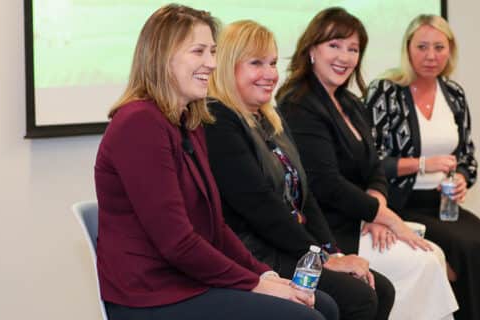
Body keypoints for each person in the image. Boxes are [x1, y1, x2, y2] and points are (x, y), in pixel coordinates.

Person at [93, 5, 338, 320]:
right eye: (199, 52)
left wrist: (263, 275)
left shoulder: (189, 120)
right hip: (152, 296)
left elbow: (214, 226)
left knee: (323, 305)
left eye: (213, 51)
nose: (211, 63)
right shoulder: (139, 123)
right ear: (161, 57)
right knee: (307, 316)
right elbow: (177, 243)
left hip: (188, 280)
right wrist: (254, 284)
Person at [204, 20, 395, 320]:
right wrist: (318, 256)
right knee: (359, 298)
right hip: (256, 254)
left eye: (272, 63)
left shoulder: (270, 117)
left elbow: (304, 197)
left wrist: (331, 252)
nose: (269, 75)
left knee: (380, 289)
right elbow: (259, 206)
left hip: (291, 246)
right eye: (256, 63)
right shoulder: (219, 119)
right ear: (228, 66)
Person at [277, 7, 458, 320]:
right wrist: (385, 217)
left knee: (433, 256)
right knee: (425, 260)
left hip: (361, 220)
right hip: (332, 231)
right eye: (334, 45)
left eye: (353, 49)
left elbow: (375, 168)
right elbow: (326, 184)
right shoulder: (299, 103)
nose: (344, 57)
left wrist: (376, 208)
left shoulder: (349, 101)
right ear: (310, 50)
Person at [364, 14, 480, 320]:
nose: (431, 56)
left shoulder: (454, 94)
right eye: (422, 46)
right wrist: (422, 164)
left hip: (444, 204)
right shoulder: (385, 91)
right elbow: (371, 162)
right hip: (400, 204)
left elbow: (467, 157)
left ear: (450, 51)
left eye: (439, 47)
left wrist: (461, 177)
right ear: (407, 49)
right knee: (464, 250)